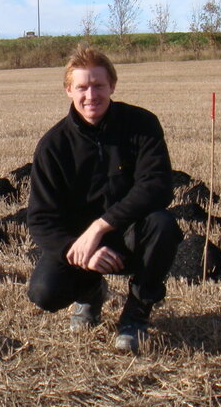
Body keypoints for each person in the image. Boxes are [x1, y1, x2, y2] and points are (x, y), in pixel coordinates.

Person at [26, 45, 182, 353]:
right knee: (44, 293)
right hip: (79, 244)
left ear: (112, 85)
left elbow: (159, 185)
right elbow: (41, 220)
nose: (91, 95)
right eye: (82, 87)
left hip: (129, 234)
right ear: (68, 90)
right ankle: (90, 292)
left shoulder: (141, 125)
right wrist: (79, 250)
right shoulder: (53, 146)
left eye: (98, 85)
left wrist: (101, 226)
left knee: (163, 225)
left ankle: (136, 315)